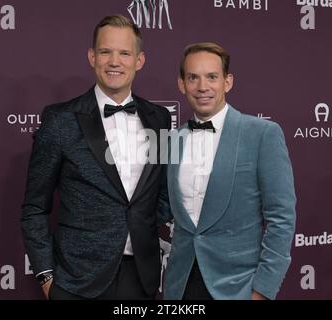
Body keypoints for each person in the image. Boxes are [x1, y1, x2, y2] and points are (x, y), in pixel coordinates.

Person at [21, 14, 171, 300]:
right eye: (105, 52)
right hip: (76, 281)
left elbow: (161, 190)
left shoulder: (160, 118)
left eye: (124, 53)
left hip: (141, 278)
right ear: (92, 57)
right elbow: (34, 208)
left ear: (139, 60)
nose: (115, 62)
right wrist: (46, 277)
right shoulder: (60, 119)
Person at [162, 42, 296, 300]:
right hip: (181, 286)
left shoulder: (262, 134)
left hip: (239, 288)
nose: (203, 87)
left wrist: (263, 291)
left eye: (212, 77)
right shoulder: (172, 140)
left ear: (228, 82)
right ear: (182, 84)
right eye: (193, 78)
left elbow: (282, 219)